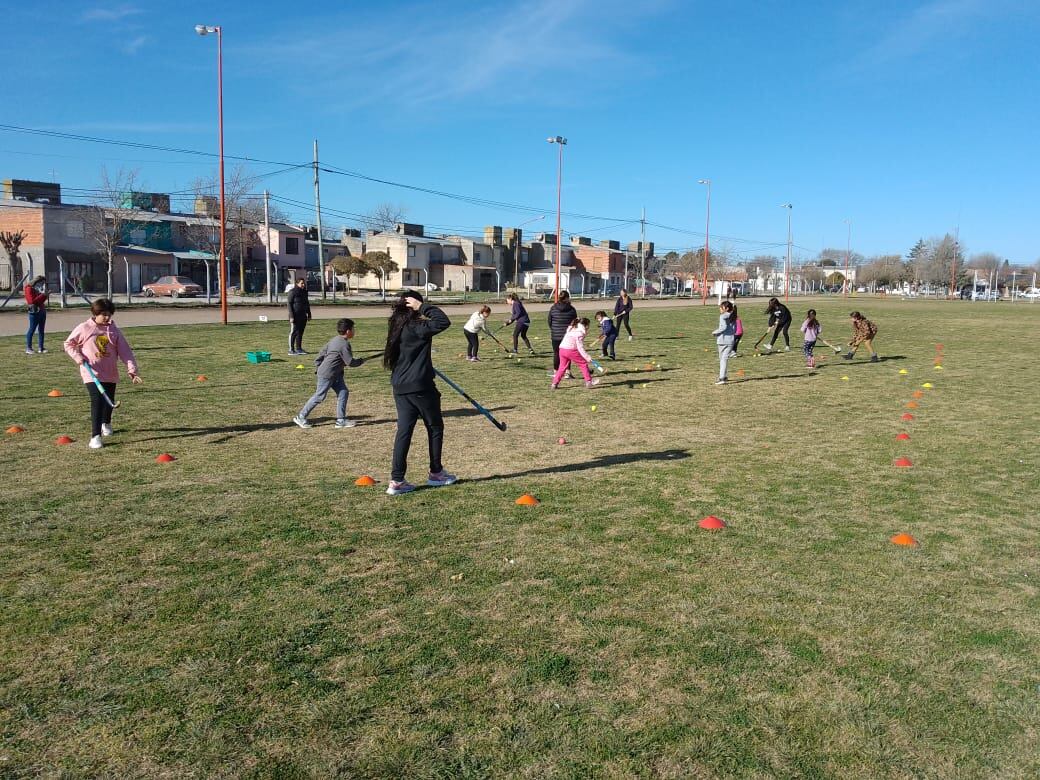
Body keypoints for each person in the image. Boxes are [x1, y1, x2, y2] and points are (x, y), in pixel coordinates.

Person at [383, 291, 456, 495]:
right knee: (434, 427)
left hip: (401, 386)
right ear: (412, 305)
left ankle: (396, 480)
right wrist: (422, 306)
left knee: (404, 431)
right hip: (420, 387)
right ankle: (436, 473)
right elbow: (443, 321)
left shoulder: (396, 326)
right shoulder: (417, 327)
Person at [62, 298, 142, 450]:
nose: (106, 317)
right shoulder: (85, 328)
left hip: (110, 372)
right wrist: (79, 358)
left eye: (109, 314)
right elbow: (68, 344)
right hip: (91, 373)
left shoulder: (114, 331)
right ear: (95, 313)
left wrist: (131, 369)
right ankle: (95, 436)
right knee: (97, 400)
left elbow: (125, 352)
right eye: (103, 314)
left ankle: (106, 422)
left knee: (108, 400)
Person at [293, 318, 364, 429]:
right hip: (328, 374)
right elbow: (350, 362)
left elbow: (322, 352)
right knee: (319, 396)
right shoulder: (344, 344)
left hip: (335, 374)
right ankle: (301, 416)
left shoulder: (334, 340)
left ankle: (341, 420)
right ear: (348, 331)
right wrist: (360, 361)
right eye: (353, 329)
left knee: (343, 392)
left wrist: (318, 365)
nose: (354, 331)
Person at [551, 317, 599, 389]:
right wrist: (587, 357)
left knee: (561, 367)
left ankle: (554, 384)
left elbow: (570, 326)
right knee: (583, 364)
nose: (588, 327)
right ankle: (589, 381)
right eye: (588, 325)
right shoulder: (580, 333)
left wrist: (576, 320)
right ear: (585, 325)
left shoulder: (571, 329)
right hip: (571, 350)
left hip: (562, 349)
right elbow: (580, 347)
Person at [547, 290, 578, 374]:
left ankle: (556, 372)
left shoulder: (553, 308)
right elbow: (575, 322)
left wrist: (553, 329)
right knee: (567, 354)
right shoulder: (571, 309)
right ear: (567, 298)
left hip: (555, 335)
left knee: (556, 353)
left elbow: (549, 321)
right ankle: (568, 372)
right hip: (567, 336)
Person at [711, 300, 736, 385]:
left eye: (721, 308)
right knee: (724, 359)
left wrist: (715, 332)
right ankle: (724, 376)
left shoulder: (723, 316)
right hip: (731, 340)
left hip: (723, 341)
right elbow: (734, 328)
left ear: (726, 308)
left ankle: (722, 378)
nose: (720, 309)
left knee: (723, 359)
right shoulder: (733, 315)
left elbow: (724, 327)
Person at [24, 275, 49, 354]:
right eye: (41, 283)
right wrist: (43, 295)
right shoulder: (28, 289)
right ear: (37, 282)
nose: (42, 285)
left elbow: (40, 300)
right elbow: (32, 301)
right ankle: (29, 348)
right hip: (34, 311)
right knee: (32, 329)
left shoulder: (37, 289)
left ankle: (41, 348)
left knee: (41, 330)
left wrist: (45, 295)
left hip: (42, 310)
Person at [287, 278, 311, 355]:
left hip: (303, 315)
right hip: (295, 315)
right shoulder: (292, 292)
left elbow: (307, 303)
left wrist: (309, 313)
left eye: (304, 283)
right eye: (302, 283)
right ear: (297, 283)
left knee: (300, 333)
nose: (303, 285)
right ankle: (291, 350)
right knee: (294, 332)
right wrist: (291, 316)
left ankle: (299, 349)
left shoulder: (304, 292)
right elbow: (289, 304)